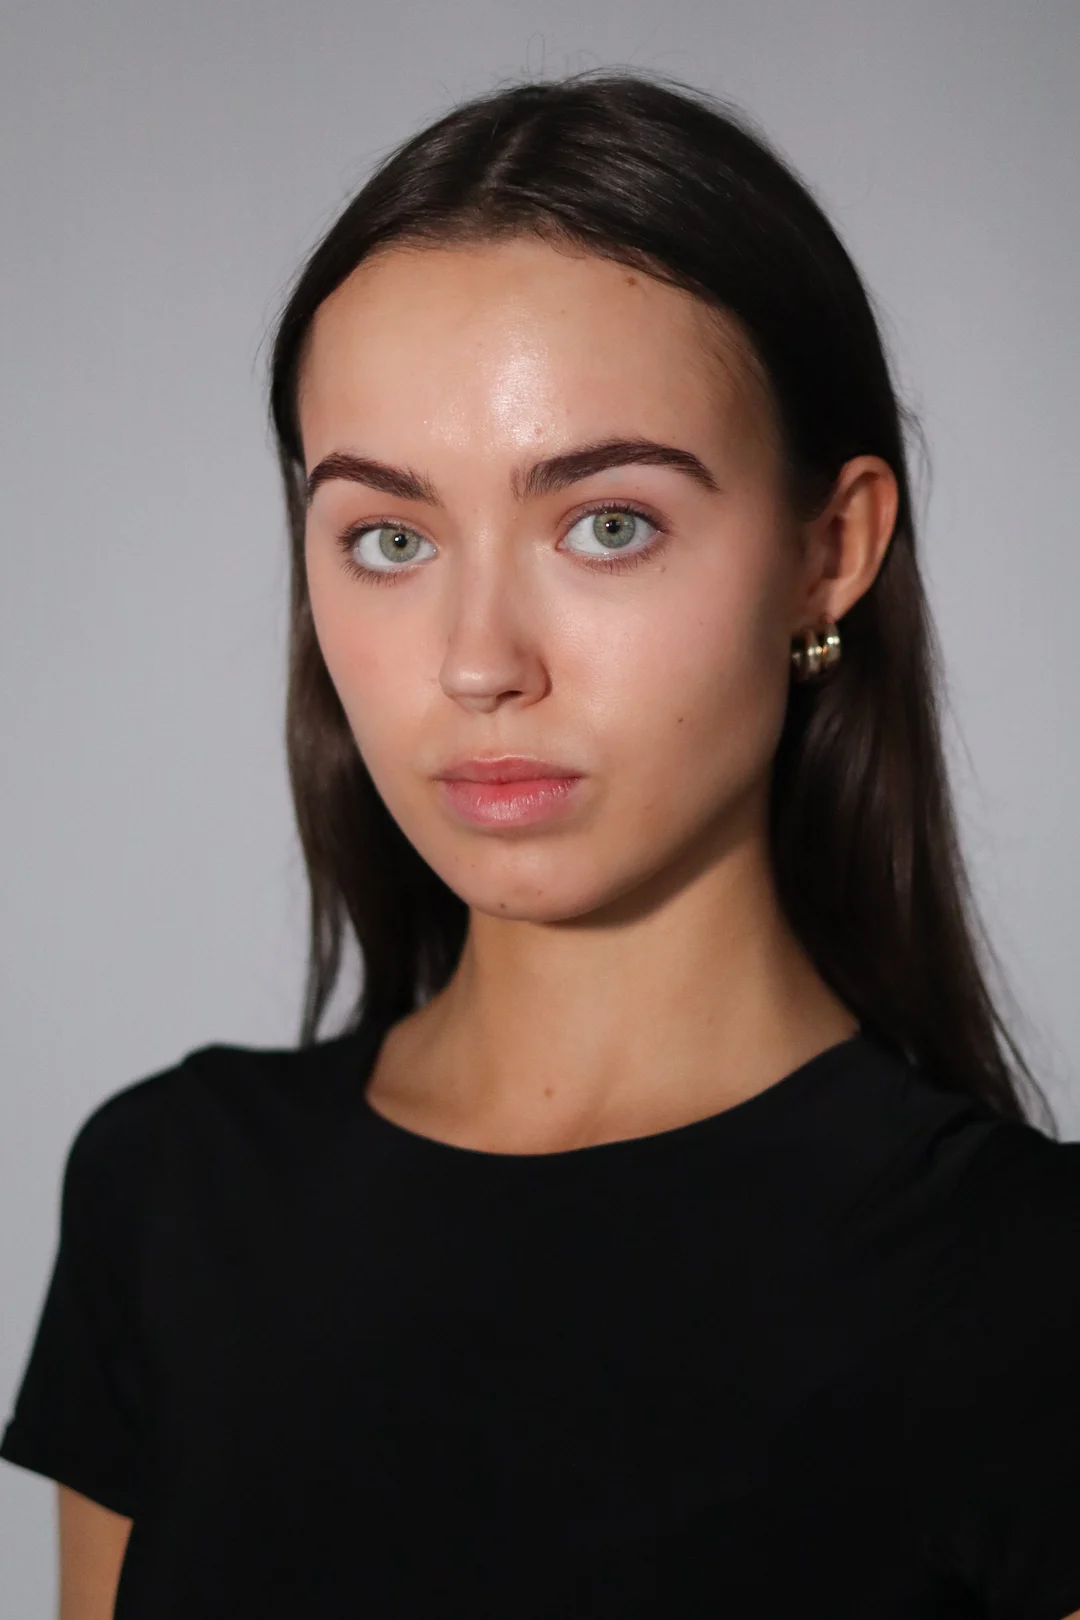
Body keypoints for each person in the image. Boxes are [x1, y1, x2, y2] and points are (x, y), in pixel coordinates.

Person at [2, 71, 1079, 1620]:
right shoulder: (169, 1200)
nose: (478, 662)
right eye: (389, 538)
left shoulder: (1030, 1293)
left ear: (829, 551)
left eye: (606, 524)